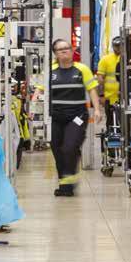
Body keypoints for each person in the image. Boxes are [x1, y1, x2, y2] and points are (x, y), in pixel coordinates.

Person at [49, 39, 103, 196]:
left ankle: (69, 179)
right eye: (60, 49)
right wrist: (33, 106)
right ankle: (65, 184)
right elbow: (40, 89)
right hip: (56, 117)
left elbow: (92, 90)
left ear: (72, 51)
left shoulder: (82, 69)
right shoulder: (50, 71)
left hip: (77, 116)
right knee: (57, 149)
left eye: (67, 48)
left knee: (69, 147)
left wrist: (97, 109)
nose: (65, 51)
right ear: (55, 54)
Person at [96, 36, 122, 125]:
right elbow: (100, 79)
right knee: (111, 122)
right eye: (116, 46)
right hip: (109, 97)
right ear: (113, 46)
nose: (118, 48)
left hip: (125, 98)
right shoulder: (105, 59)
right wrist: (101, 95)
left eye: (120, 46)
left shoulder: (127, 59)